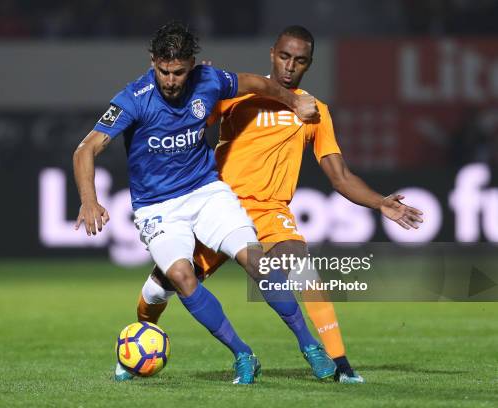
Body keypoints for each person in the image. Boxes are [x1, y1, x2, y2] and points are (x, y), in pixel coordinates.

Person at [129, 25, 424, 384]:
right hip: (217, 204)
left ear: (309, 64)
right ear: (272, 54)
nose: (289, 66)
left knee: (304, 269)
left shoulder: (314, 112)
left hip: (270, 212)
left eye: (299, 61)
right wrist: (195, 86)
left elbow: (341, 177)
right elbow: (184, 126)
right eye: (284, 57)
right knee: (162, 286)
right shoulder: (238, 96)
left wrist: (379, 203)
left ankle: (339, 363)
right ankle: (139, 342)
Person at [73, 21, 325, 385]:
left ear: (192, 65)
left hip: (206, 192)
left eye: (179, 72)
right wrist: (89, 200)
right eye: (164, 71)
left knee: (256, 262)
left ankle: (310, 346)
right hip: (157, 207)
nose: (171, 81)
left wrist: (294, 100)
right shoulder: (132, 99)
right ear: (152, 63)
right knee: (179, 276)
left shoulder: (210, 80)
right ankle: (243, 354)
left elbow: (258, 83)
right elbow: (86, 149)